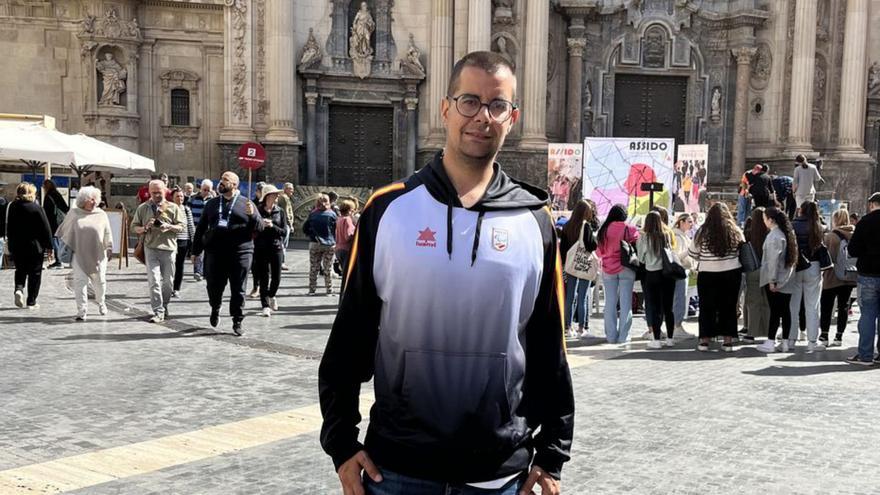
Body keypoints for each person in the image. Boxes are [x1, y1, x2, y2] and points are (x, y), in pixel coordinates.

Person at [319, 51, 572, 495]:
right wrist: (340, 443)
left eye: (497, 106)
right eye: (469, 101)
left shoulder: (536, 222)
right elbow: (351, 336)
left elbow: (550, 348)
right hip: (397, 468)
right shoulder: (387, 210)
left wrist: (552, 455)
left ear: (512, 118)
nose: (482, 117)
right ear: (445, 109)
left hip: (498, 474)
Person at [191, 171, 262, 336]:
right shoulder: (212, 204)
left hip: (241, 253)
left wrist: (252, 215)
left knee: (239, 289)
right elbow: (201, 228)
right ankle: (215, 307)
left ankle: (237, 320)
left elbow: (259, 228)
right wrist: (195, 251)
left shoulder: (247, 204)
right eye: (221, 178)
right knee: (213, 286)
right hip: (215, 253)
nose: (221, 182)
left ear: (235, 184)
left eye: (225, 180)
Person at [688, 202, 744, 352]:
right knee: (729, 307)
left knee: (707, 307)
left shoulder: (703, 231)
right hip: (731, 272)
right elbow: (742, 249)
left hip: (707, 273)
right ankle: (727, 341)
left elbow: (692, 253)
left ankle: (704, 340)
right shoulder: (735, 230)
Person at [130, 179, 185, 323]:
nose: (156, 195)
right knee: (154, 281)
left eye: (159, 192)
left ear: (165, 191)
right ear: (149, 192)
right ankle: (158, 310)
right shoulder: (143, 208)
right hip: (150, 248)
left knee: (168, 282)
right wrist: (143, 228)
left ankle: (165, 305)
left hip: (168, 248)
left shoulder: (173, 207)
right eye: (153, 193)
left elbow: (181, 227)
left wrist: (169, 226)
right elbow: (133, 226)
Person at [55, 186, 112, 320]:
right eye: (90, 199)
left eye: (95, 199)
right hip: (78, 253)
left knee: (100, 281)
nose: (93, 202)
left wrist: (109, 247)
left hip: (98, 254)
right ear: (83, 200)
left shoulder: (101, 214)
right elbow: (64, 230)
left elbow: (108, 232)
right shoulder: (74, 214)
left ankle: (101, 302)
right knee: (80, 282)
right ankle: (82, 310)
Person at [756, 207, 799, 353]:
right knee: (785, 311)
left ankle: (770, 341)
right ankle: (785, 342)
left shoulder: (774, 236)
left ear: (771, 219)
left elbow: (772, 261)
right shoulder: (788, 234)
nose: (764, 221)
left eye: (764, 218)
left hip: (776, 278)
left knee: (774, 311)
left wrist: (772, 280)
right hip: (788, 278)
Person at [597, 204, 640, 344]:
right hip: (626, 268)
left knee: (609, 303)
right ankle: (623, 336)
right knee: (626, 303)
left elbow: (599, 252)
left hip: (608, 269)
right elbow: (637, 247)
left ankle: (610, 336)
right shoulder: (630, 229)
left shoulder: (603, 230)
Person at [845, 193, 880, 365]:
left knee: (867, 315)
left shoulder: (865, 222)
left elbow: (852, 250)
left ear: (873, 204)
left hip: (868, 275)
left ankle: (865, 355)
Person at [6, 182, 52, 309]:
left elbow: (9, 227)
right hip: (35, 247)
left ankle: (19, 289)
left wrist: (10, 245)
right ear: (31, 194)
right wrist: (49, 246)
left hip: (17, 245)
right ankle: (31, 301)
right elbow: (46, 229)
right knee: (35, 274)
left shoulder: (12, 207)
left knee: (20, 270)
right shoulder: (36, 208)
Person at [787, 200, 825, 352]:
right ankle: (812, 341)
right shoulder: (819, 227)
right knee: (812, 305)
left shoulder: (792, 226)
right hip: (814, 267)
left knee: (793, 305)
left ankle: (790, 339)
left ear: (801, 210)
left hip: (796, 266)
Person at [637, 211, 678, 348]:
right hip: (667, 274)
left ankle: (656, 340)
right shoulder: (666, 234)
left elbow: (641, 258)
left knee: (655, 308)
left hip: (652, 274)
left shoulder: (644, 237)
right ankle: (670, 338)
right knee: (668, 307)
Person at [560, 199, 598, 338]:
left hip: (570, 265)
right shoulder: (585, 226)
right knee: (582, 297)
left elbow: (563, 248)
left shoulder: (567, 226)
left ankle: (568, 328)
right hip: (584, 265)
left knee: (569, 297)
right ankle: (582, 328)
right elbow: (592, 246)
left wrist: (565, 264)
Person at [819, 209, 857, 347]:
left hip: (831, 276)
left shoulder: (830, 236)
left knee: (827, 307)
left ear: (835, 220)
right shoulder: (854, 235)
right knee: (844, 307)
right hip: (849, 276)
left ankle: (824, 335)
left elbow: (824, 256)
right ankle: (839, 337)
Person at [253, 184, 288, 317]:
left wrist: (272, 226)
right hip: (261, 247)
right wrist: (261, 224)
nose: (277, 196)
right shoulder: (257, 210)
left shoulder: (280, 211)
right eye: (274, 194)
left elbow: (284, 232)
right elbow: (253, 228)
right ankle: (265, 305)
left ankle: (272, 295)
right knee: (263, 277)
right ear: (267, 196)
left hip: (276, 247)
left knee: (277, 277)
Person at [743, 208, 771, 343]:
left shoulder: (748, 234)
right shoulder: (769, 233)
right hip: (767, 270)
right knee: (767, 302)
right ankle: (767, 330)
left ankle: (751, 332)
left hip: (752, 270)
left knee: (753, 302)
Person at [303, 194, 337, 295]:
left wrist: (312, 235)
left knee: (314, 267)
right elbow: (336, 229)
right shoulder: (332, 214)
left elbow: (305, 228)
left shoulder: (312, 214)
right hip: (329, 244)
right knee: (328, 268)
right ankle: (329, 290)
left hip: (315, 243)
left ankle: (312, 290)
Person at [671, 213, 695, 338]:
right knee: (680, 298)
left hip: (683, 270)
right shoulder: (678, 237)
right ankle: (677, 326)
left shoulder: (683, 236)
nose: (692, 224)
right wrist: (689, 251)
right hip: (679, 270)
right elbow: (677, 256)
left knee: (680, 298)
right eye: (689, 221)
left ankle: (677, 325)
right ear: (681, 222)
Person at [170, 187, 195, 298]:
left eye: (181, 196)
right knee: (170, 265)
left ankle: (176, 288)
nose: (180, 198)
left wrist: (193, 240)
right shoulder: (168, 208)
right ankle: (168, 286)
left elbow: (190, 225)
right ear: (172, 198)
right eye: (177, 196)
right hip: (170, 241)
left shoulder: (186, 209)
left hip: (183, 241)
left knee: (179, 265)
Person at [188, 179, 214, 281]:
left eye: (208, 190)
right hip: (195, 228)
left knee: (207, 251)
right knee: (197, 250)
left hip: (208, 229)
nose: (206, 192)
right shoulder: (193, 198)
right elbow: (188, 211)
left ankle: (205, 271)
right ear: (201, 188)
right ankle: (197, 271)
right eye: (205, 189)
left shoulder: (213, 200)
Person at [42, 179, 69, 269]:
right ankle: (59, 260)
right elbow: (66, 208)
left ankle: (58, 261)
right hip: (60, 221)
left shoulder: (49, 195)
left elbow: (46, 211)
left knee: (54, 240)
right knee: (58, 240)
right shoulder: (57, 194)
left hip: (52, 221)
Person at [333, 199, 356, 296]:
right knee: (349, 274)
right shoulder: (347, 220)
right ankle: (346, 294)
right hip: (346, 249)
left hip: (338, 249)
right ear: (350, 210)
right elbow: (348, 236)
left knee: (344, 272)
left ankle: (344, 293)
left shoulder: (339, 219)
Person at [277, 182, 295, 271]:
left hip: (284, 223)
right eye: (291, 188)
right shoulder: (284, 198)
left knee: (283, 243)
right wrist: (290, 224)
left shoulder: (284, 197)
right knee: (283, 244)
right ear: (286, 189)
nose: (292, 190)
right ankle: (281, 262)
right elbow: (286, 212)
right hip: (285, 224)